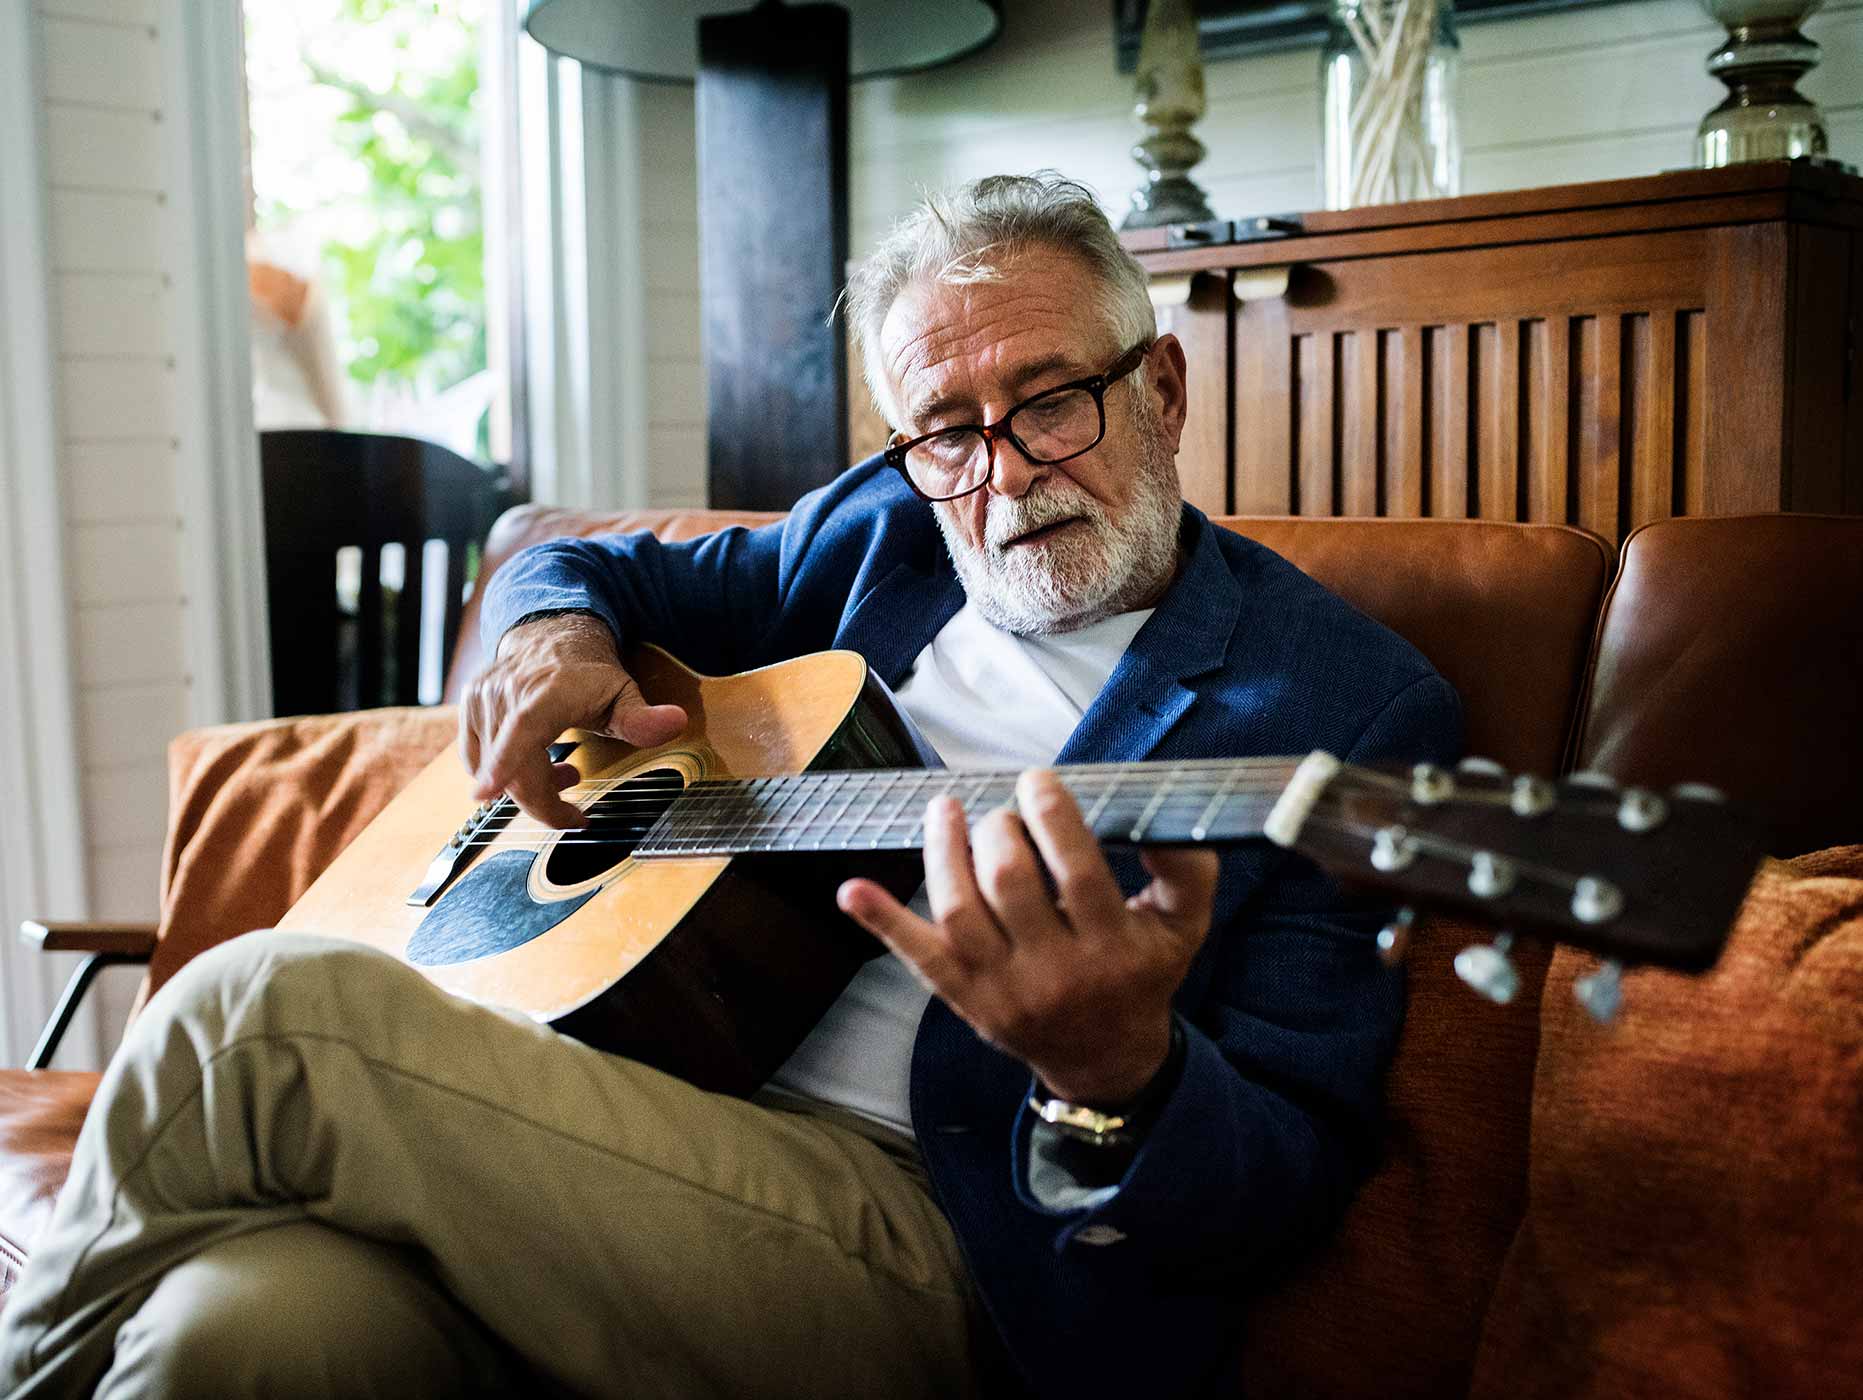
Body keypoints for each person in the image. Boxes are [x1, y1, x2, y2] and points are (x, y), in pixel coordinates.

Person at [0, 173, 1460, 1398]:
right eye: (948, 427)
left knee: (264, 1012)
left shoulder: (1344, 707)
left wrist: (1117, 1076)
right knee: (239, 1334)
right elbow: (597, 565)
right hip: (623, 1102)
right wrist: (550, 636)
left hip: (933, 1236)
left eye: (1052, 399)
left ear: (1162, 385)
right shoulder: (887, 529)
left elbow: (1287, 1173)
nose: (1003, 473)